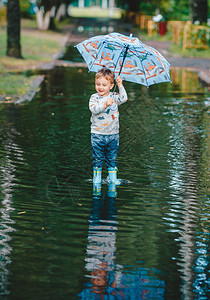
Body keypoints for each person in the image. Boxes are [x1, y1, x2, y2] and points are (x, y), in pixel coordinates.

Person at [89, 67, 128, 185]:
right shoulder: (94, 97)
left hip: (113, 135)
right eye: (98, 84)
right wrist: (105, 104)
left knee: (112, 158)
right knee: (98, 158)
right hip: (97, 134)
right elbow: (94, 109)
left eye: (104, 85)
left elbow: (124, 98)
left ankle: (113, 179)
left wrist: (120, 85)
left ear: (111, 85)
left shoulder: (115, 96)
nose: (100, 87)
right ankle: (97, 179)